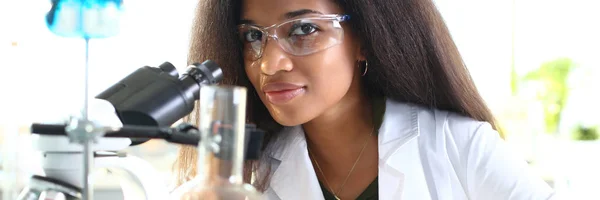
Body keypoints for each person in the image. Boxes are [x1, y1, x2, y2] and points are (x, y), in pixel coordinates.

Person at [173, 0, 556, 199]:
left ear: (365, 41)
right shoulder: (244, 177)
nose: (270, 64)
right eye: (253, 36)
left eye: (304, 29)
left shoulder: (460, 147)